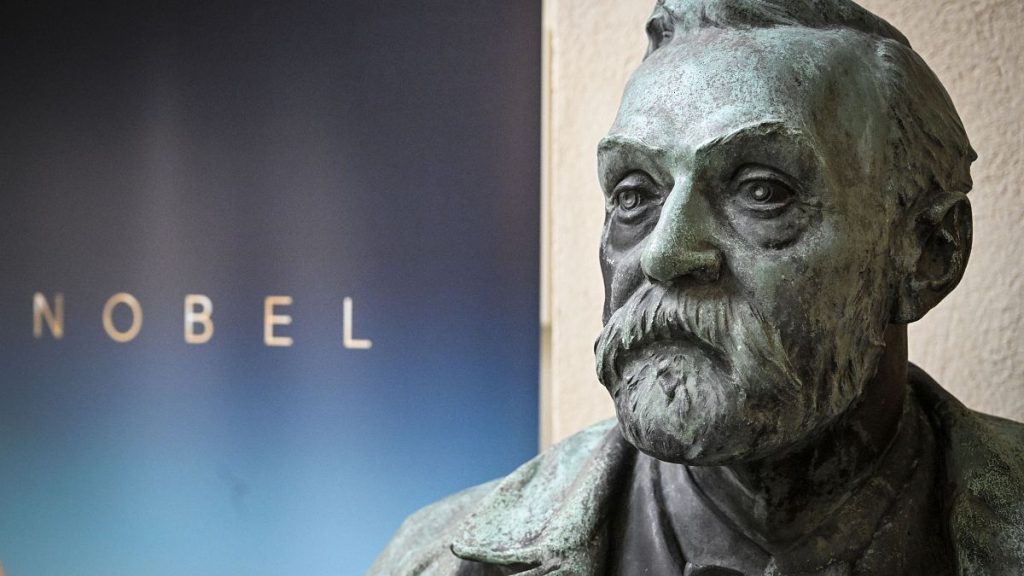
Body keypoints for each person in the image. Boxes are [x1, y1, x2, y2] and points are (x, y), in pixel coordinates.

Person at [368, 0, 1024, 573]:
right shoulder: (437, 563)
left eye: (762, 191)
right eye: (634, 194)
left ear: (930, 253)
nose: (665, 253)